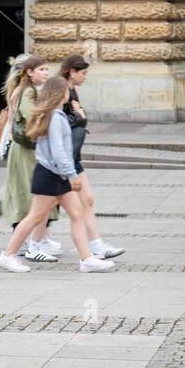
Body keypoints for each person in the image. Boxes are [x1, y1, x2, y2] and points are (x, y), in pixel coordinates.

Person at [0, 75, 114, 273]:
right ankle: (8, 255)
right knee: (35, 217)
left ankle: (87, 259)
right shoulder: (56, 118)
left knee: (76, 213)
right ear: (61, 94)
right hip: (51, 174)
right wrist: (72, 174)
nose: (69, 92)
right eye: (67, 90)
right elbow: (59, 151)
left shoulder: (52, 115)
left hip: (56, 174)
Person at [0, 56, 58, 258]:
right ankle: (26, 244)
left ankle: (35, 240)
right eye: (42, 69)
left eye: (47, 69)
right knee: (28, 195)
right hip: (23, 148)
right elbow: (33, 118)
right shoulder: (26, 92)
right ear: (29, 72)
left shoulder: (25, 90)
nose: (46, 73)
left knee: (27, 194)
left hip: (25, 148)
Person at [58, 54, 124, 261]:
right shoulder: (61, 90)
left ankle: (96, 245)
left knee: (86, 200)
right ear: (72, 72)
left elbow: (75, 119)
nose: (85, 77)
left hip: (72, 157)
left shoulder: (72, 90)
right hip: (62, 158)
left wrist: (80, 117)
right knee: (42, 210)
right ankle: (27, 243)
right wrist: (80, 117)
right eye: (83, 73)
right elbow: (56, 122)